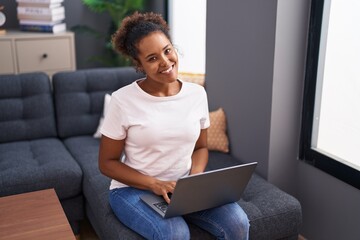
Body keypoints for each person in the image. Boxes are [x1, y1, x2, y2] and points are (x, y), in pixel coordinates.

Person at [98, 11, 250, 240]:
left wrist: (195, 181)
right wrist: (154, 184)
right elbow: (107, 163)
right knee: (175, 233)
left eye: (167, 50)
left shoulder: (197, 94)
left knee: (238, 223)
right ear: (139, 64)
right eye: (152, 58)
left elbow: (200, 148)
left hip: (183, 190)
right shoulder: (123, 100)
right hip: (133, 191)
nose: (165, 62)